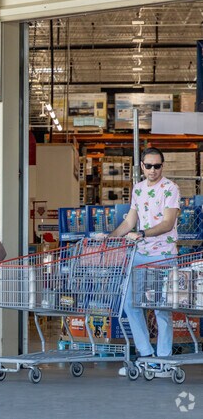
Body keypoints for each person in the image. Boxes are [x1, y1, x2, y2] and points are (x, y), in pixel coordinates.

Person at [108, 147, 180, 377]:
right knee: (129, 303)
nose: (152, 170)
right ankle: (146, 355)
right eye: (148, 165)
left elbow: (168, 223)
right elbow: (129, 221)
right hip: (140, 255)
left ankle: (164, 360)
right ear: (141, 166)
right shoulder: (138, 190)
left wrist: (143, 233)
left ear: (163, 166)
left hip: (163, 254)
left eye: (157, 166)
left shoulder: (170, 189)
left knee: (161, 308)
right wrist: (110, 239)